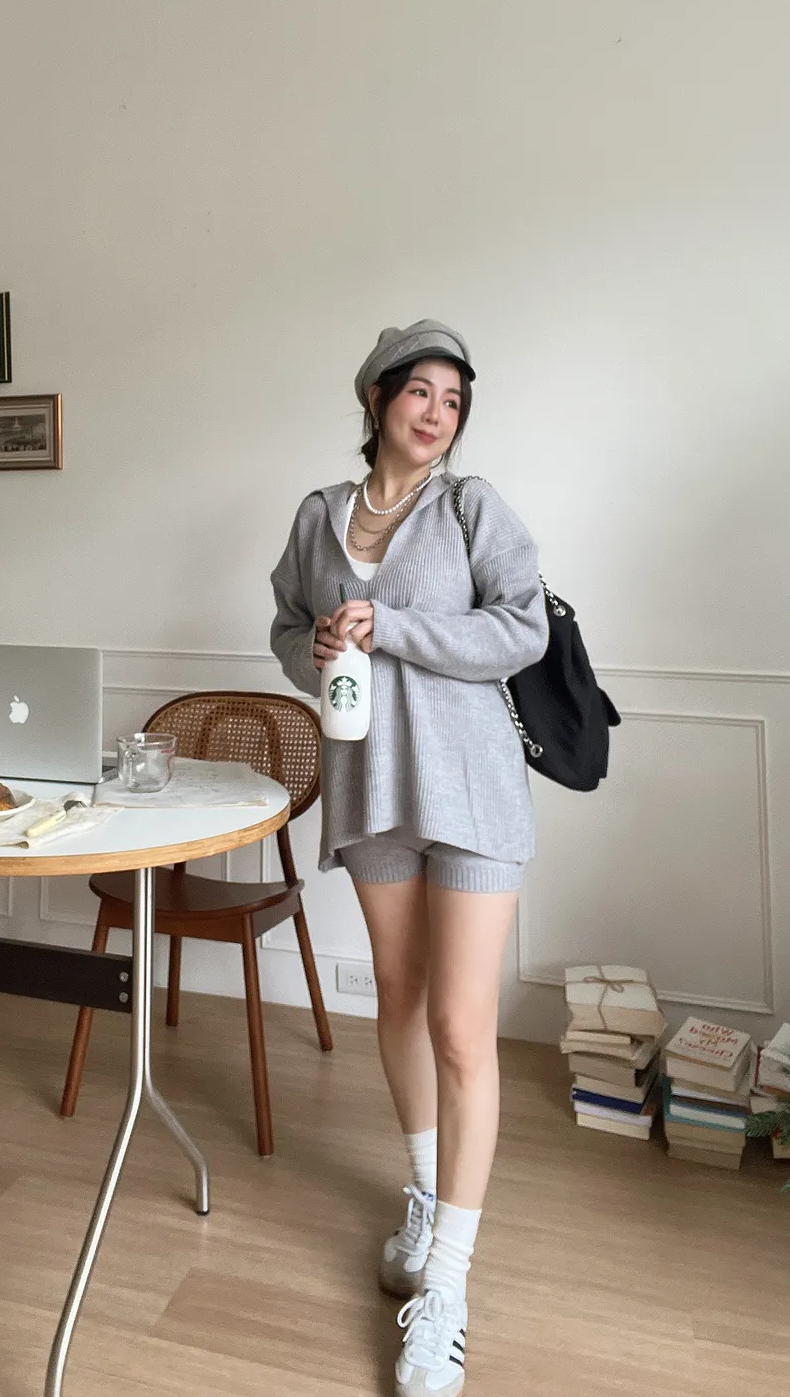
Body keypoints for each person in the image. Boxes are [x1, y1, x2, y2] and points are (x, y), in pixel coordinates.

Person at [270, 321, 548, 1397]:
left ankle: (449, 1288)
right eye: (421, 391)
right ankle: (426, 1197)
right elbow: (286, 625)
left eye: (454, 399)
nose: (437, 413)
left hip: (471, 788)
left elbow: (521, 630)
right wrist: (315, 647)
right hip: (369, 780)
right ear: (378, 398)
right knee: (400, 994)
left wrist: (392, 627)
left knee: (461, 1027)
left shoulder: (472, 508)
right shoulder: (318, 514)